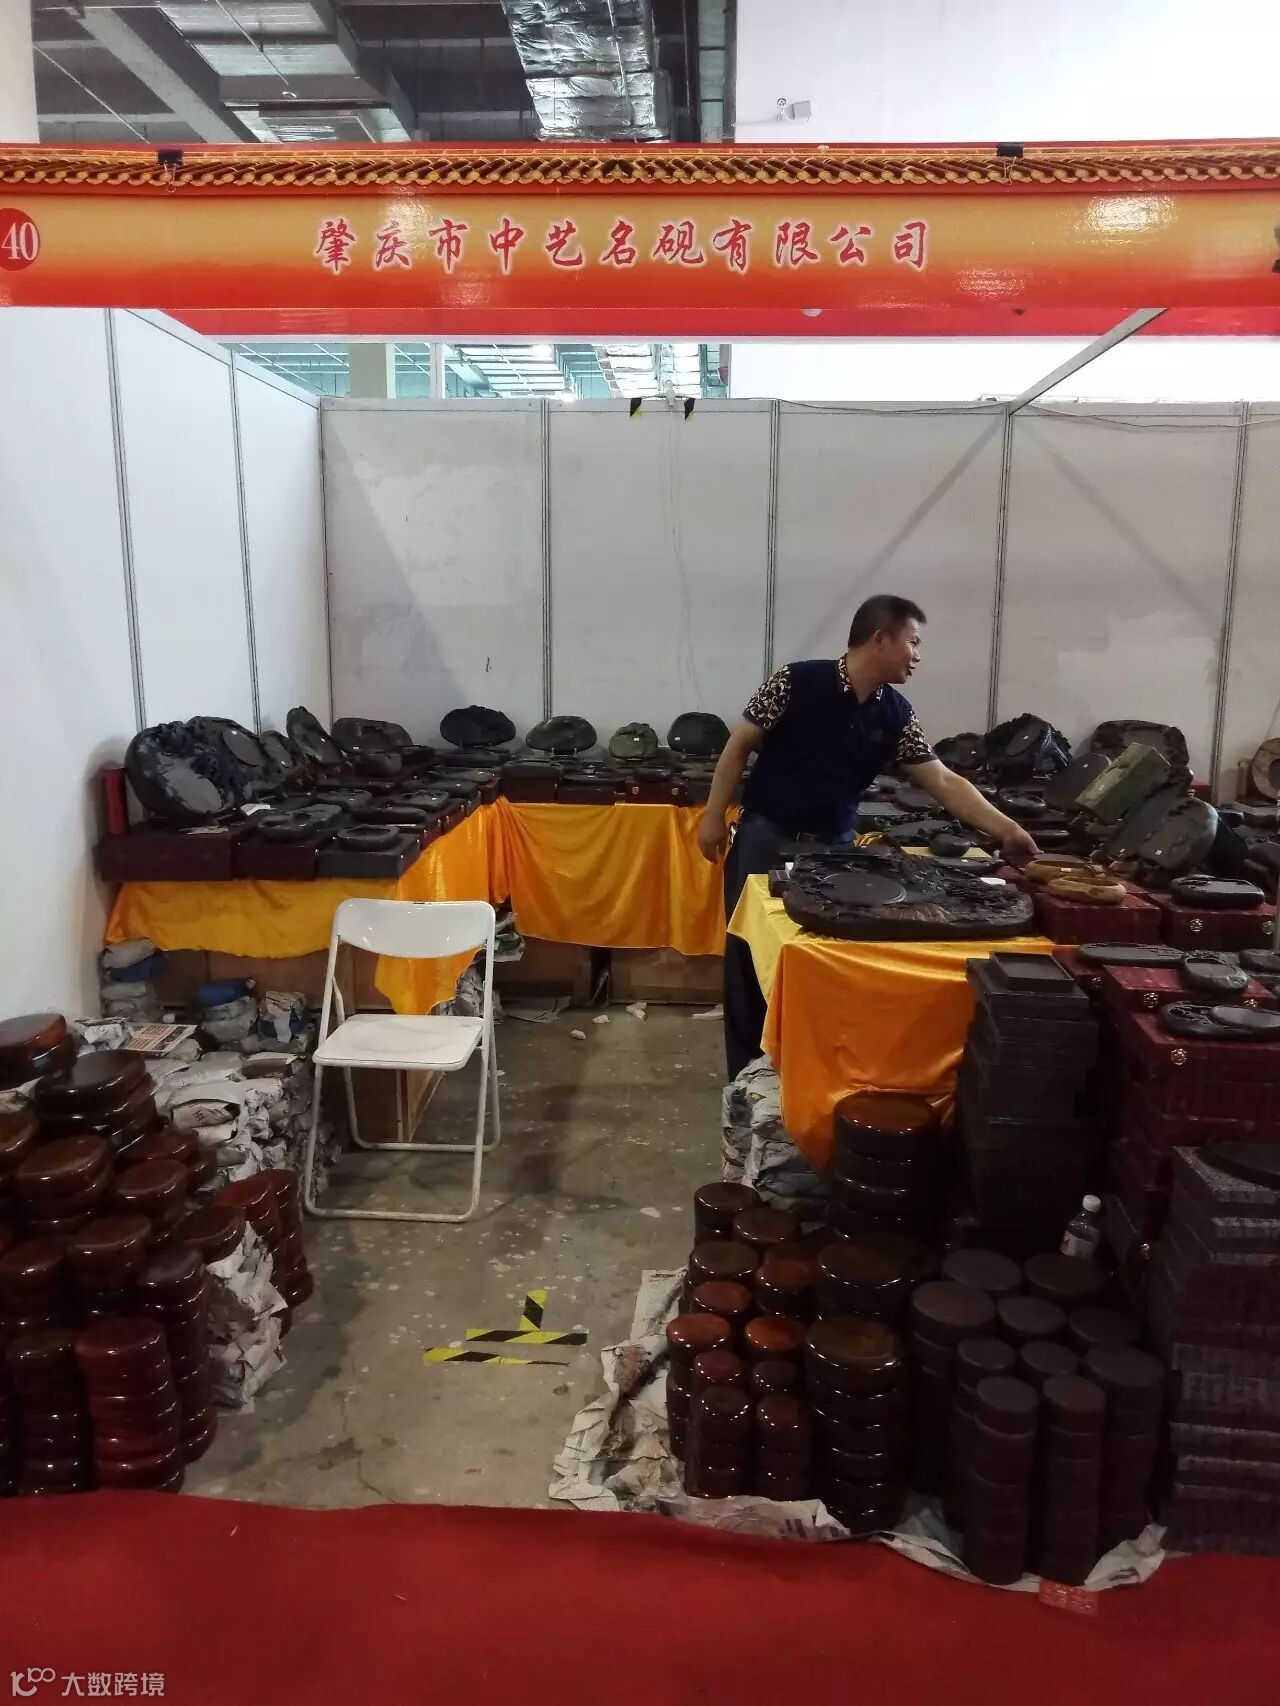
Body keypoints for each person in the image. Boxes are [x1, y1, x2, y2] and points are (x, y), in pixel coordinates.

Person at [697, 594, 1041, 1078]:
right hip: (764, 836)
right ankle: (746, 1080)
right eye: (913, 642)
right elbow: (738, 746)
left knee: (822, 958)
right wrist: (713, 817)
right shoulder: (794, 682)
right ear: (880, 638)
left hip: (834, 850)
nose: (917, 656)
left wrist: (1008, 828)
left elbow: (943, 781)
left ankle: (802, 1075)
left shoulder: (896, 712)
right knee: (748, 960)